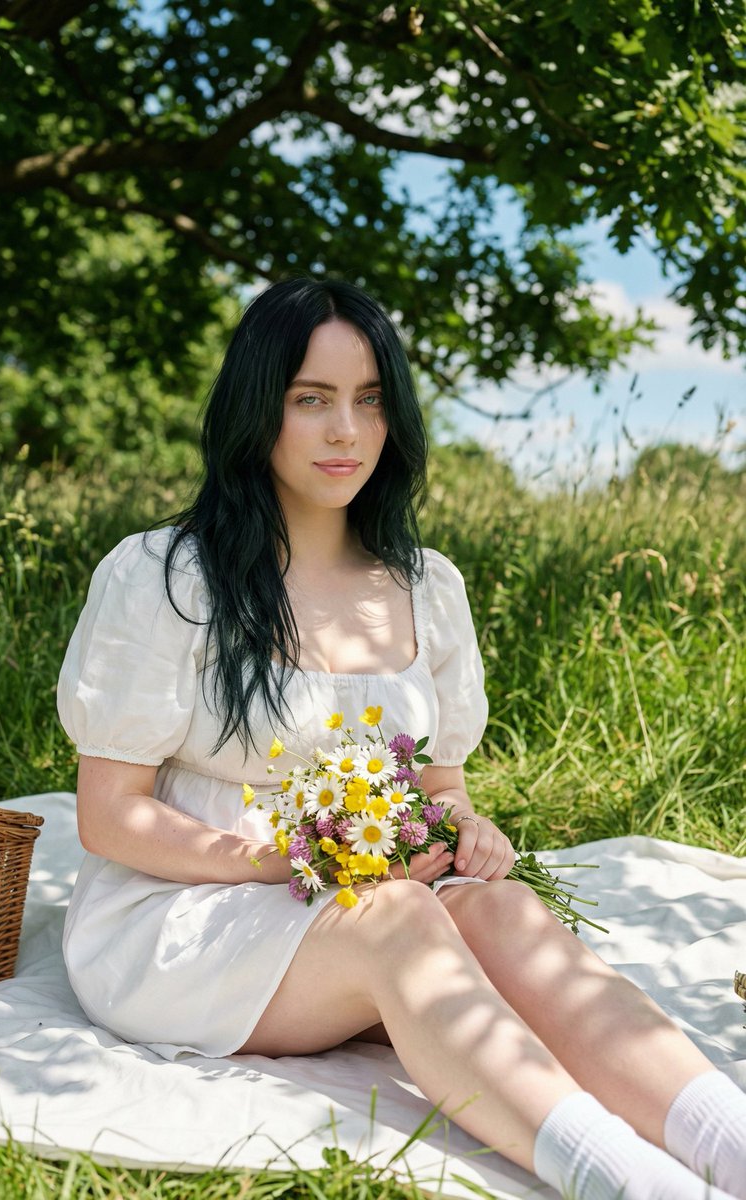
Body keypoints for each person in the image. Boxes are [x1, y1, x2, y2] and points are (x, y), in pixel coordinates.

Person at [57, 277, 746, 1200]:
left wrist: (470, 829)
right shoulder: (166, 576)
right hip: (186, 918)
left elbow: (442, 787)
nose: (347, 430)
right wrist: (295, 862)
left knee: (501, 912)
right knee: (398, 918)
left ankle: (729, 1146)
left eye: (371, 399)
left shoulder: (426, 584)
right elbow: (108, 819)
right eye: (312, 400)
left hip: (360, 902)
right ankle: (633, 1186)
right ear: (258, 408)